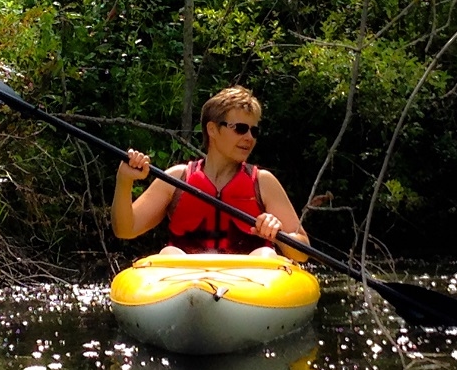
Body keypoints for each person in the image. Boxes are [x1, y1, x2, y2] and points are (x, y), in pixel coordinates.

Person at [111, 86, 310, 261]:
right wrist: (124, 181)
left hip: (249, 282)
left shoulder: (263, 182)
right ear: (212, 129)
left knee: (266, 255)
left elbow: (302, 251)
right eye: (240, 129)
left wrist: (278, 233)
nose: (249, 138)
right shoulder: (177, 179)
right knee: (169, 254)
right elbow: (125, 230)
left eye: (254, 131)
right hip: (187, 280)